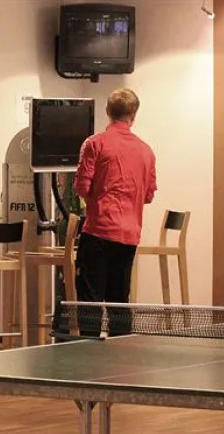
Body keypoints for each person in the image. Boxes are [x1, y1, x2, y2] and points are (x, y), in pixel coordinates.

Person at [73, 87, 157, 337]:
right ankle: (122, 350)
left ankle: (87, 351)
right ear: (134, 115)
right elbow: (149, 195)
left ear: (108, 111)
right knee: (120, 300)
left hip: (98, 232)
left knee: (90, 300)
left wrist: (96, 199)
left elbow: (81, 186)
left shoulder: (95, 143)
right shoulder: (146, 151)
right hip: (129, 236)